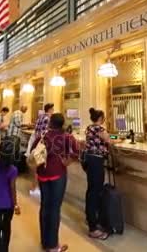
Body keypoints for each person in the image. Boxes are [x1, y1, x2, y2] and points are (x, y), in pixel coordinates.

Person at [33, 113, 79, 252]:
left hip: (43, 175)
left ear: (50, 123)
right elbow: (77, 151)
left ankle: (45, 241)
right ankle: (53, 246)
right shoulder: (67, 137)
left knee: (45, 206)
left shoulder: (42, 137)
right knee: (54, 208)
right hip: (58, 174)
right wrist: (68, 161)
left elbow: (33, 152)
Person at [84, 108, 117, 240]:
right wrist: (117, 141)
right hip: (96, 161)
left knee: (91, 190)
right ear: (101, 118)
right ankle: (93, 227)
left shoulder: (89, 128)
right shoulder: (99, 129)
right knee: (95, 191)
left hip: (89, 160)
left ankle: (90, 217)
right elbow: (109, 141)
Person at [27, 103, 54, 196]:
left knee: (35, 166)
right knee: (40, 166)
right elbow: (45, 132)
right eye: (52, 109)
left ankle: (33, 187)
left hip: (36, 142)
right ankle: (36, 188)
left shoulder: (40, 117)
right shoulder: (48, 119)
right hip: (42, 144)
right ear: (50, 110)